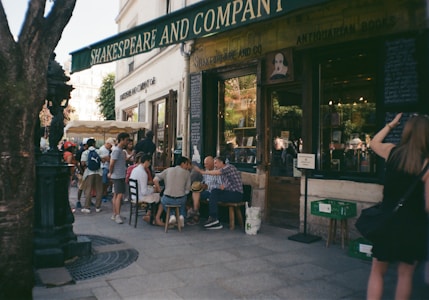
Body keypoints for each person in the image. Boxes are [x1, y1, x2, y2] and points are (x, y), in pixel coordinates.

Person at [366, 113, 429, 299]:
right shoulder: (427, 165)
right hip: (413, 226)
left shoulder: (392, 152)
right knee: (405, 275)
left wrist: (391, 125)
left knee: (377, 272)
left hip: (388, 222)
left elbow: (373, 143)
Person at [194, 156, 243, 230]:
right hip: (229, 192)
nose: (215, 165)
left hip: (236, 194)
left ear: (221, 162)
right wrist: (223, 186)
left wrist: (202, 172)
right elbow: (227, 183)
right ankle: (213, 218)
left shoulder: (229, 167)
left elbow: (217, 173)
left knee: (214, 193)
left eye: (216, 163)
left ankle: (214, 219)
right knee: (214, 193)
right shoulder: (223, 172)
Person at [153, 156, 192, 228]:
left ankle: (172, 215)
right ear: (182, 163)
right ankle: (181, 216)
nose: (187, 167)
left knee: (162, 200)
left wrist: (159, 189)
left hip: (168, 199)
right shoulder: (187, 173)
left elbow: (155, 179)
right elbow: (187, 189)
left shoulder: (168, 170)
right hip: (180, 199)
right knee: (183, 199)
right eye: (187, 164)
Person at [187, 156, 222, 225]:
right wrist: (202, 185)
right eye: (204, 164)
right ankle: (196, 212)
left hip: (214, 193)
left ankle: (195, 216)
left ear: (212, 163)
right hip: (206, 191)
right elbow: (204, 181)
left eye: (207, 164)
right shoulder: (206, 171)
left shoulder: (218, 171)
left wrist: (208, 186)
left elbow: (220, 186)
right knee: (195, 191)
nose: (205, 165)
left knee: (195, 195)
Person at [130, 154, 160, 223]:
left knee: (154, 195)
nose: (149, 164)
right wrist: (153, 189)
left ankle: (148, 214)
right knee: (158, 197)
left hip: (134, 195)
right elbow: (144, 192)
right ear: (146, 162)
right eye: (149, 162)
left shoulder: (135, 170)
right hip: (140, 196)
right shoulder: (143, 173)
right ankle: (151, 217)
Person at [108, 132, 130, 224]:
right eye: (126, 140)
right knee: (119, 195)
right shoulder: (117, 150)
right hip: (118, 175)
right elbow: (112, 163)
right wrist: (110, 172)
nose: (127, 142)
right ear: (122, 139)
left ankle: (115, 213)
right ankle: (117, 215)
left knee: (116, 195)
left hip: (119, 174)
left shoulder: (119, 150)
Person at [80, 138, 103, 214]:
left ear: (87, 145)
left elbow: (83, 163)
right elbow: (104, 159)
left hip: (89, 172)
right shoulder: (98, 151)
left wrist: (87, 164)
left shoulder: (85, 152)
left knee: (88, 190)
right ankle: (98, 207)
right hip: (99, 172)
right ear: (94, 144)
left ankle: (87, 207)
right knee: (99, 190)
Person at [99, 138, 115, 202]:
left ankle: (104, 194)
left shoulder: (108, 150)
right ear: (107, 144)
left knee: (106, 183)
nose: (111, 147)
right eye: (110, 145)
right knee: (104, 182)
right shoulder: (103, 150)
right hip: (104, 167)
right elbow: (108, 159)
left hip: (107, 167)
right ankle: (103, 195)